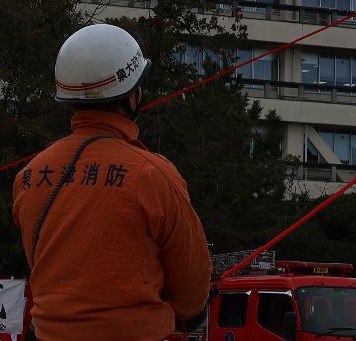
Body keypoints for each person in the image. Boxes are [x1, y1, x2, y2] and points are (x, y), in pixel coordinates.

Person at [12, 23, 211, 341]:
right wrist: (191, 313)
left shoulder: (30, 175)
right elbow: (192, 281)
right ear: (133, 96)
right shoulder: (153, 174)